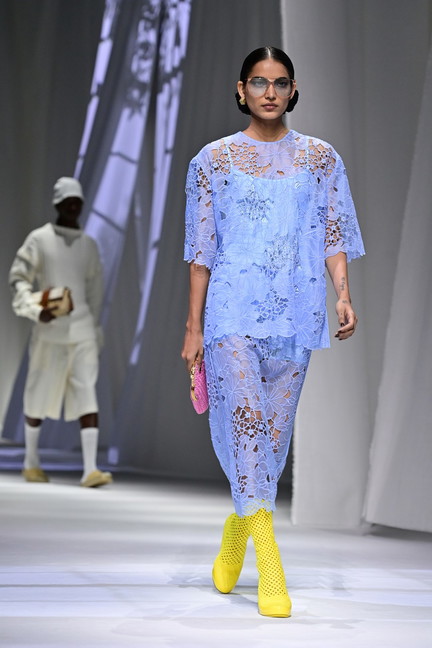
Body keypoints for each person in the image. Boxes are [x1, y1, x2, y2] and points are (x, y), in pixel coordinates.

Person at [181, 46, 364, 618]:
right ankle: (270, 564)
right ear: (241, 90)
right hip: (231, 311)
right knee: (246, 425)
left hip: (296, 312)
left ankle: (236, 533)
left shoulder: (320, 158)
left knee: (274, 438)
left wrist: (343, 294)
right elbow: (201, 252)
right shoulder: (212, 161)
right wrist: (193, 328)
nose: (269, 92)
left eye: (280, 83)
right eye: (258, 82)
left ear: (292, 90)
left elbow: (333, 232)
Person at [9, 177, 112, 488]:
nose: (73, 207)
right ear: (57, 204)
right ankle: (31, 462)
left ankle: (90, 469)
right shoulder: (39, 239)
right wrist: (33, 308)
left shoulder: (88, 245)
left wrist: (94, 328)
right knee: (38, 394)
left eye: (77, 202)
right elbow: (18, 277)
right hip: (49, 331)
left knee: (87, 393)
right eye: (67, 202)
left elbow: (95, 291)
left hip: (82, 331)